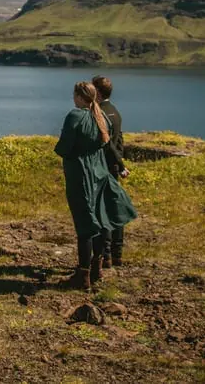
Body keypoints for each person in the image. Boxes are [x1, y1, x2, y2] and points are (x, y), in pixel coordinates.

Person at [54, 81, 136, 289]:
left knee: (84, 225)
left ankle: (82, 276)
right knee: (101, 221)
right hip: (100, 173)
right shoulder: (100, 117)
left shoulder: (75, 116)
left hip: (81, 175)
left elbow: (63, 148)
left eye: (74, 95)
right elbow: (107, 146)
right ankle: (97, 268)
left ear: (79, 97)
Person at [93, 75, 127, 268]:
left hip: (101, 168)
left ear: (97, 92)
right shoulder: (115, 112)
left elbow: (107, 145)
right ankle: (117, 253)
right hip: (112, 167)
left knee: (102, 211)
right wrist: (119, 164)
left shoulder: (99, 114)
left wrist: (119, 164)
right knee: (114, 208)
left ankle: (105, 255)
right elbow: (120, 141)